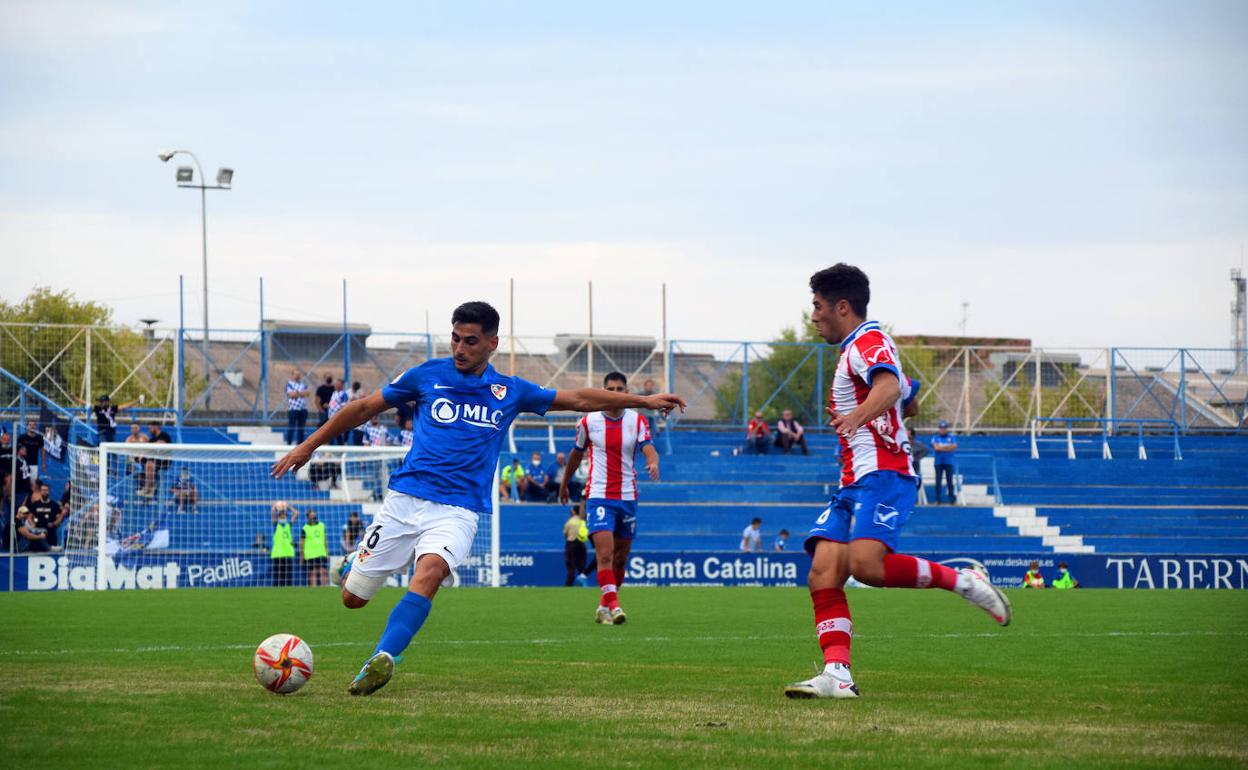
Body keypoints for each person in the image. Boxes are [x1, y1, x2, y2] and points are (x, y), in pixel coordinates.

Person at [270, 300, 684, 696]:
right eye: (454, 339)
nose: (460, 348)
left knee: (429, 573)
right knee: (352, 599)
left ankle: (382, 657)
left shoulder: (510, 391)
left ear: (492, 343)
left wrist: (642, 401)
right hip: (404, 501)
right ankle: (354, 564)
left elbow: (577, 399)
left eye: (470, 341)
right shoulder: (425, 375)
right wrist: (309, 445)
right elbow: (361, 409)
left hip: (459, 510)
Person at [785, 264, 1010, 700]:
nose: (813, 316)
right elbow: (907, 395)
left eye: (817, 306)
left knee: (866, 567)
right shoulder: (862, 347)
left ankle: (963, 580)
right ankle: (838, 675)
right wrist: (897, 409)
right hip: (855, 479)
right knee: (823, 571)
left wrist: (857, 416)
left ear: (842, 306)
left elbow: (888, 387)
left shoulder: (867, 341)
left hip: (884, 473)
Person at [559, 371, 659, 625]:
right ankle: (614, 607)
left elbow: (648, 448)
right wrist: (564, 483)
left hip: (628, 496)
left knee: (620, 558)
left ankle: (603, 606)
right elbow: (575, 454)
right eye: (610, 390)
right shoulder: (588, 422)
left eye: (619, 389)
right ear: (603, 392)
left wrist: (652, 462)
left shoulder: (636, 421)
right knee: (605, 553)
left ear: (626, 392)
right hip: (599, 495)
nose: (615, 394)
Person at [19, 482, 66, 551]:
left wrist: (55, 523)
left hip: (50, 535)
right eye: (43, 490)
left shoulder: (54, 505)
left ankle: (50, 548)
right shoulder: (35, 504)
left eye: (46, 490)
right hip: (38, 535)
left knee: (51, 552)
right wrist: (32, 524)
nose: (44, 492)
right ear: (40, 491)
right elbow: (29, 516)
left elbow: (60, 516)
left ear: (49, 492)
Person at [138, 422, 173, 498]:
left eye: (150, 428)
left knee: (149, 464)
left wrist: (148, 446)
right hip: (155, 460)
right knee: (145, 462)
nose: (149, 430)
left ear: (156, 427)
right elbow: (146, 450)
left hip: (164, 460)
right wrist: (142, 455)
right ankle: (146, 487)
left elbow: (160, 444)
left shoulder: (164, 435)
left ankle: (149, 488)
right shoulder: (152, 439)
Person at [270, 502, 299, 587]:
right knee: (278, 577)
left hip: (288, 554)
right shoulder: (276, 525)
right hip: (277, 554)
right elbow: (272, 512)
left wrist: (288, 506)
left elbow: (296, 513)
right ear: (279, 515)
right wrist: (276, 506)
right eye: (281, 513)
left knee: (288, 577)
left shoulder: (288, 525)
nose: (283, 515)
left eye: (284, 513)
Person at [562, 503, 591, 587]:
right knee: (581, 566)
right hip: (582, 545)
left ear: (574, 512)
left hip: (571, 544)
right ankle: (583, 583)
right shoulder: (583, 521)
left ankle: (569, 585)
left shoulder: (570, 521)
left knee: (571, 567)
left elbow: (565, 533)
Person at [931, 419, 958, 504]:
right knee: (938, 481)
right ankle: (938, 500)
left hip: (948, 462)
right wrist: (947, 447)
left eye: (944, 428)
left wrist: (941, 448)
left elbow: (954, 446)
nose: (943, 429)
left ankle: (952, 500)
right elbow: (936, 448)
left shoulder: (951, 437)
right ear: (939, 429)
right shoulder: (935, 437)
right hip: (938, 462)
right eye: (941, 428)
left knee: (950, 481)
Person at [302, 510, 330, 586]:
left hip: (321, 552)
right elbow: (302, 543)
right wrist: (302, 556)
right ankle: (313, 590)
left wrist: (327, 553)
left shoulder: (321, 525)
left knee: (323, 571)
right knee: (312, 573)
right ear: (308, 517)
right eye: (311, 516)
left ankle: (324, 589)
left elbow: (325, 540)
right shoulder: (305, 528)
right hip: (310, 554)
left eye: (314, 515)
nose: (313, 517)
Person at [285, 370, 310, 445]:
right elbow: (291, 395)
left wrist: (297, 393)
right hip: (293, 409)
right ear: (292, 375)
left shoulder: (303, 384)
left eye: (299, 374)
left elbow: (307, 393)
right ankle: (289, 443)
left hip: (303, 409)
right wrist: (301, 393)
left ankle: (300, 443)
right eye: (296, 374)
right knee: (291, 426)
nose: (298, 376)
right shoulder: (289, 384)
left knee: (301, 428)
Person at [328, 378, 350, 445]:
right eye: (335, 384)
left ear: (341, 385)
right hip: (331, 416)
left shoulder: (343, 394)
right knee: (331, 433)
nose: (336, 385)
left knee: (337, 433)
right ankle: (331, 447)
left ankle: (342, 447)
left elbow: (343, 406)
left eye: (337, 384)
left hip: (337, 417)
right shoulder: (334, 393)